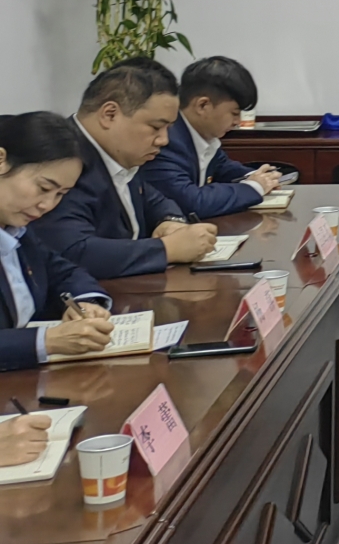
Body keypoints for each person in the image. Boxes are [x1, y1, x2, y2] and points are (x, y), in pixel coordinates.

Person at [31, 59, 217, 277]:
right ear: (109, 114)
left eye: (168, 128)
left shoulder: (118, 155)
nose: (164, 140)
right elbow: (74, 251)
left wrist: (170, 222)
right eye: (156, 127)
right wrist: (168, 249)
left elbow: (154, 199)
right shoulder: (61, 161)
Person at [0, 112, 114, 377]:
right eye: (43, 188)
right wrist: (46, 341)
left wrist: (84, 303)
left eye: (60, 194)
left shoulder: (17, 229)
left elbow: (62, 271)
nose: (47, 205)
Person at [139, 56, 283, 219]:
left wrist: (260, 177)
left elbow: (223, 168)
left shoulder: (203, 135)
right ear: (203, 105)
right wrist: (254, 187)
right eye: (234, 113)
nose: (237, 122)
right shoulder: (165, 141)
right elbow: (192, 203)